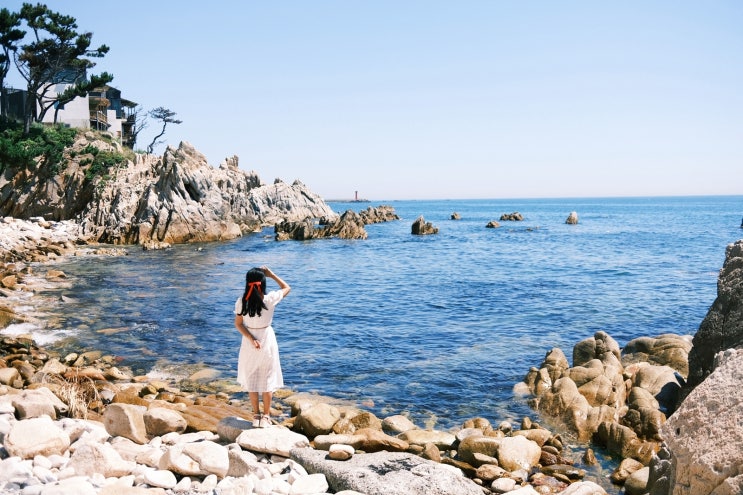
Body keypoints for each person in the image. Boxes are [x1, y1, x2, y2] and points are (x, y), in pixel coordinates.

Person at [234, 266, 291, 428]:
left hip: (249, 343)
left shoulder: (242, 302)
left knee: (252, 378)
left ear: (247, 283)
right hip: (266, 340)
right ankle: (266, 416)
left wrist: (251, 339)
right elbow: (287, 287)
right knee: (267, 378)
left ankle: (256, 416)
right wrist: (272, 274)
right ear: (263, 283)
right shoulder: (269, 299)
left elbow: (238, 324)